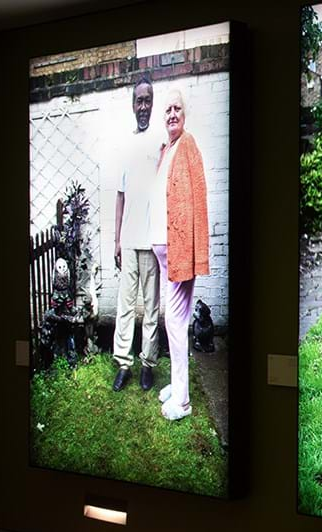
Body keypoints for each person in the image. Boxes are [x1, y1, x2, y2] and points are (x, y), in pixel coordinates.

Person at [149, 88, 209, 421]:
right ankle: (177, 384)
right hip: (165, 251)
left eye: (177, 109)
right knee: (177, 320)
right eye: (168, 109)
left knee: (174, 321)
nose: (172, 114)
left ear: (184, 114)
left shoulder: (187, 145)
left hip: (177, 252)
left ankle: (182, 401)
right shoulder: (169, 148)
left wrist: (187, 251)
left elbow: (194, 200)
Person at [111, 77, 162, 393]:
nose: (143, 106)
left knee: (152, 307)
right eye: (139, 100)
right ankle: (123, 365)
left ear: (152, 104)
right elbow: (119, 196)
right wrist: (116, 240)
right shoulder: (126, 145)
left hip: (152, 240)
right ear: (133, 105)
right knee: (125, 306)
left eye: (148, 100)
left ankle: (148, 365)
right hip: (129, 241)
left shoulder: (160, 142)